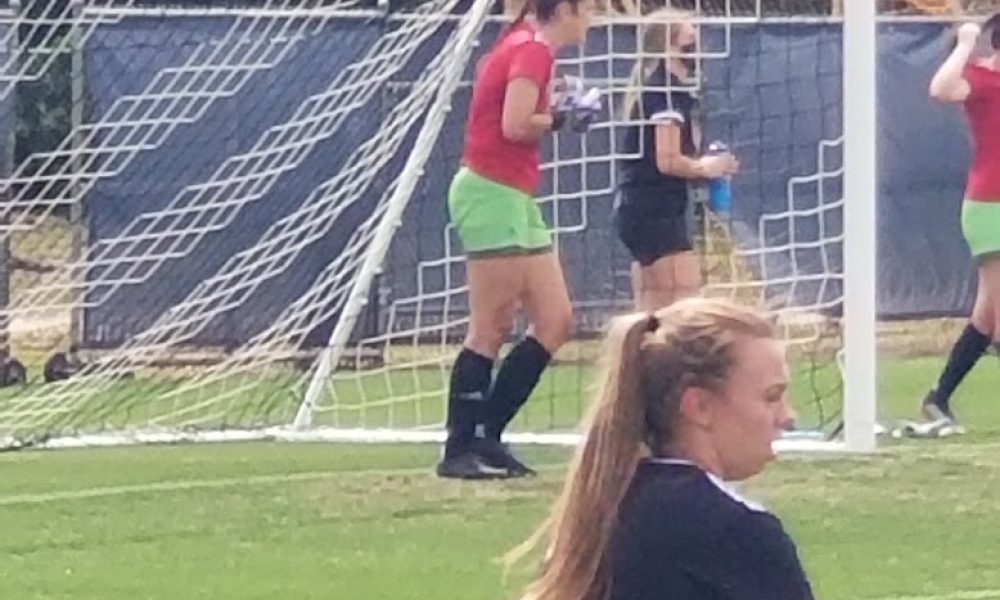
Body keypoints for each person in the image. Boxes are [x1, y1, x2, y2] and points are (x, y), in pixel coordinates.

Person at [509, 297, 814, 600]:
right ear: (699, 406)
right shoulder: (738, 532)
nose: (788, 417)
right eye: (771, 397)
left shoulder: (597, 515)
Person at [437, 0, 596, 479]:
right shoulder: (531, 49)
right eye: (586, 7)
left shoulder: (530, 49)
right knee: (492, 324)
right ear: (563, 8)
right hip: (490, 190)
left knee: (556, 319)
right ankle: (459, 447)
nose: (592, 16)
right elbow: (514, 124)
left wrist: (558, 105)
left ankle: (489, 434)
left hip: (514, 195)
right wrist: (564, 117)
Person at [614, 10, 739, 312]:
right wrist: (704, 167)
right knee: (682, 309)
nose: (697, 49)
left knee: (652, 314)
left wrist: (711, 164)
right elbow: (667, 161)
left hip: (645, 208)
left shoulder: (670, 91)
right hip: (652, 211)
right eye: (689, 41)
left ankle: (634, 359)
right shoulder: (664, 92)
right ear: (668, 47)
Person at [922, 15, 1000, 432]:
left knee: (986, 317)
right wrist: (967, 41)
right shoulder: (982, 80)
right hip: (991, 205)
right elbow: (940, 89)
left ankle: (938, 397)